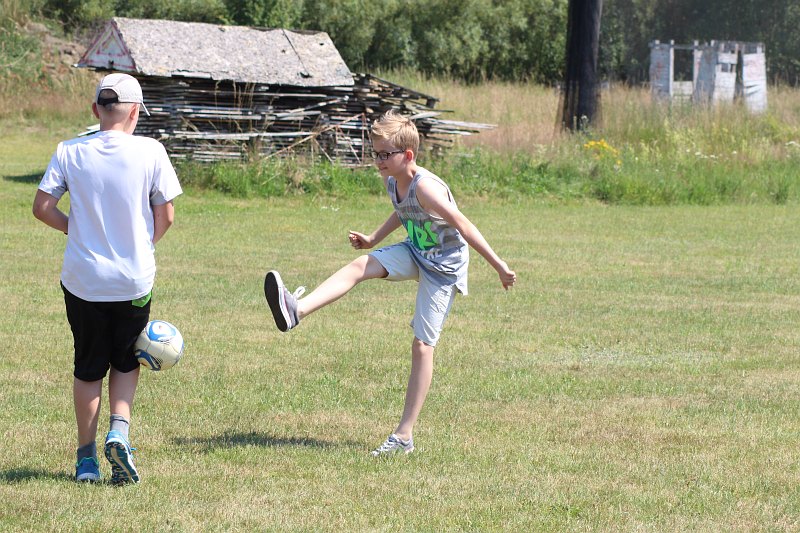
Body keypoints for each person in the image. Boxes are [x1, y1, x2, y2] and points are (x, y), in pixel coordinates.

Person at [264, 109, 516, 456]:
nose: (378, 160)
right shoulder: (392, 181)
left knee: (422, 346)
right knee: (361, 265)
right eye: (376, 153)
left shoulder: (426, 187)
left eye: (385, 154)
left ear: (407, 155)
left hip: (443, 269)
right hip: (416, 251)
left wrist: (499, 265)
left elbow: (464, 225)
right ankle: (296, 310)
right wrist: (373, 239)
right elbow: (403, 211)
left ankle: (403, 437)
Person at [33, 73, 182, 484]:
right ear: (135, 112)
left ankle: (86, 461)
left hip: (83, 280)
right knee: (127, 359)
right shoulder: (151, 151)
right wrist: (143, 244)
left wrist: (76, 230)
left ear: (95, 109)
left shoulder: (69, 150)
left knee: (88, 366)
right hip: (133, 280)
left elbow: (42, 207)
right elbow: (166, 215)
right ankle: (119, 432)